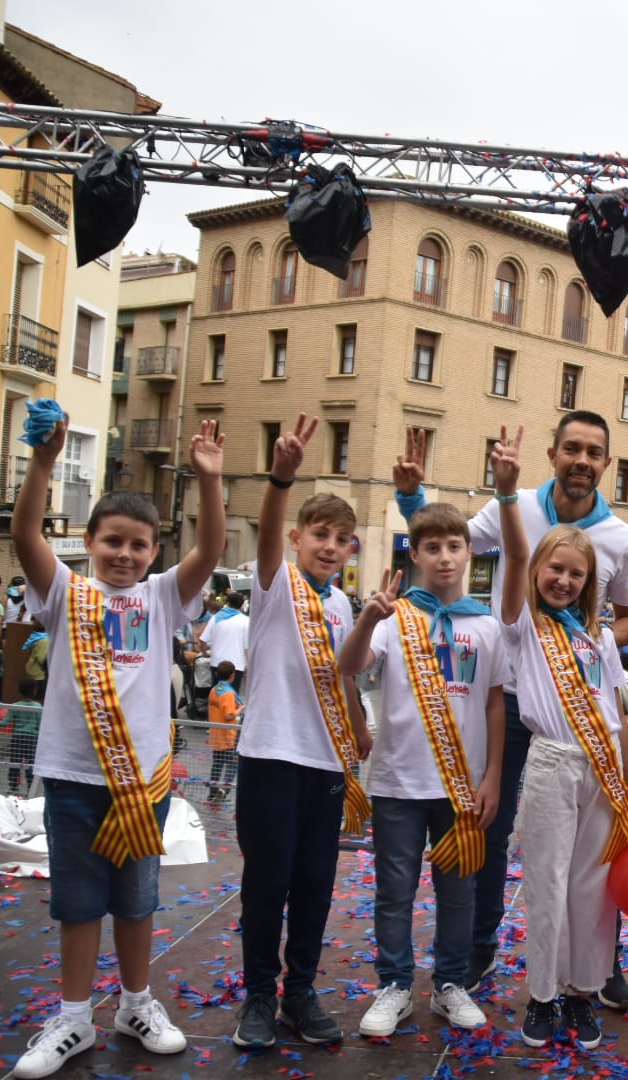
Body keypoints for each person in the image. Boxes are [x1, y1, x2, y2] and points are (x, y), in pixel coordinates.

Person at [393, 415, 628, 1006]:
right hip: (506, 692)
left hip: (578, 703)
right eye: (573, 449)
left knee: (594, 844)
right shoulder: (515, 508)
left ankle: (599, 965)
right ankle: (480, 947)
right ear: (554, 454)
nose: (583, 460)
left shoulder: (620, 538)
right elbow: (446, 544)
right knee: (494, 822)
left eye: (595, 452)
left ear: (607, 464)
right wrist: (412, 498)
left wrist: (592, 636)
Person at [10, 409, 225, 1080]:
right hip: (75, 776)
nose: (125, 555)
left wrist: (209, 482)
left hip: (143, 783)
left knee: (136, 899)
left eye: (138, 544)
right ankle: (74, 1017)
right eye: (113, 542)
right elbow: (22, 536)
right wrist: (43, 465)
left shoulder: (164, 598)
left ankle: (136, 1004)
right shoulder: (66, 592)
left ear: (155, 550)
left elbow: (212, 549)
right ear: (88, 541)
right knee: (78, 902)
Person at [491, 426, 628, 1051]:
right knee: (547, 882)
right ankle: (542, 994)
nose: (564, 581)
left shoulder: (601, 640)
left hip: (605, 771)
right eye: (555, 569)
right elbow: (512, 559)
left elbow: (618, 711)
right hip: (554, 764)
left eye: (577, 574)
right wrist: (508, 498)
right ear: (537, 573)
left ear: (590, 583)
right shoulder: (523, 628)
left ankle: (583, 992)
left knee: (593, 885)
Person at [338, 502, 508, 1037]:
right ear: (414, 554)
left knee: (460, 891)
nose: (444, 557)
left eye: (454, 547)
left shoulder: (487, 626)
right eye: (431, 547)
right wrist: (368, 618)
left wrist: (494, 775)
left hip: (462, 786)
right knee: (394, 888)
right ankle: (394, 983)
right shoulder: (396, 617)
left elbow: (496, 704)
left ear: (469, 552)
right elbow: (348, 667)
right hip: (397, 779)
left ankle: (450, 982)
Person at [232, 415, 371, 1051]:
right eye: (319, 534)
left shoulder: (342, 604)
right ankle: (259, 994)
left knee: (315, 884)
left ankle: (300, 993)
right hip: (269, 754)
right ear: (296, 537)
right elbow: (263, 537)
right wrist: (281, 477)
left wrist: (361, 728)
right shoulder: (275, 583)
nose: (329, 546)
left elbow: (343, 676)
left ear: (350, 550)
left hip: (324, 765)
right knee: (267, 884)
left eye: (342, 538)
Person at [197, 591, 249, 692]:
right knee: (232, 696)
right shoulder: (246, 621)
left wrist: (204, 653)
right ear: (242, 605)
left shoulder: (216, 617)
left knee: (217, 694)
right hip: (236, 665)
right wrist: (248, 664)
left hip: (217, 664)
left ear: (227, 602)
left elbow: (202, 640)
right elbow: (248, 647)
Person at [205, 661, 241, 804]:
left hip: (216, 736)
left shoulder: (213, 690)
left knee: (217, 765)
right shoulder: (229, 693)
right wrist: (241, 708)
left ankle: (212, 793)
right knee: (232, 766)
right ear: (233, 675)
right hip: (229, 736)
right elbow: (229, 715)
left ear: (216, 674)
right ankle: (224, 790)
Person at [6, 676, 43, 796]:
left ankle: (13, 786)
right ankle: (30, 788)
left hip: (17, 738)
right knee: (31, 763)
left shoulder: (15, 705)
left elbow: (6, 721)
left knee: (14, 762)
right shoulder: (37, 706)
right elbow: (41, 723)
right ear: (34, 690)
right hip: (32, 739)